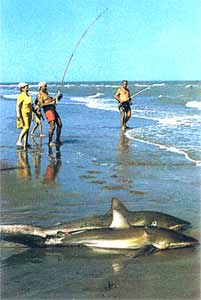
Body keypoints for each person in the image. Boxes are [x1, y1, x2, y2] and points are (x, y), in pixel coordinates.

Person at [37, 82, 62, 147]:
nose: (46, 87)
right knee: (52, 127)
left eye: (46, 86)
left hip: (53, 109)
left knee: (60, 124)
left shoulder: (46, 93)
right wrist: (51, 103)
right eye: (44, 86)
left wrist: (58, 96)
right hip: (48, 110)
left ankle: (57, 139)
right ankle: (50, 142)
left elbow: (51, 100)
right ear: (40, 87)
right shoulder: (40, 94)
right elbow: (41, 104)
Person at [16, 82, 33, 149]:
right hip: (24, 114)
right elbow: (18, 106)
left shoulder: (28, 96)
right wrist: (18, 114)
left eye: (27, 87)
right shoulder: (21, 96)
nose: (27, 88)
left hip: (29, 113)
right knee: (26, 127)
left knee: (27, 129)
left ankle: (25, 143)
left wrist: (34, 113)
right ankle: (19, 141)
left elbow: (31, 106)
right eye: (26, 87)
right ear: (22, 88)